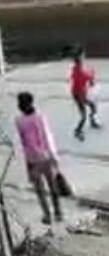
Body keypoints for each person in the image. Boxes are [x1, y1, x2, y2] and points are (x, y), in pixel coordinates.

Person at [15, 92, 62, 225]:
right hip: (42, 158)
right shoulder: (36, 118)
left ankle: (49, 215)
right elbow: (45, 138)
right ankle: (56, 213)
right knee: (50, 188)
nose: (20, 106)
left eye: (21, 103)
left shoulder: (23, 120)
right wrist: (54, 157)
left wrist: (28, 164)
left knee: (43, 190)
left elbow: (26, 142)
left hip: (36, 160)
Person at [70, 48, 100, 141]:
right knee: (83, 116)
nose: (83, 59)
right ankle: (77, 130)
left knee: (92, 106)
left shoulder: (77, 69)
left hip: (81, 94)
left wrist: (90, 76)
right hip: (78, 95)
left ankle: (92, 121)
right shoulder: (78, 71)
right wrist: (91, 76)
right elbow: (87, 77)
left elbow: (87, 78)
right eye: (82, 57)